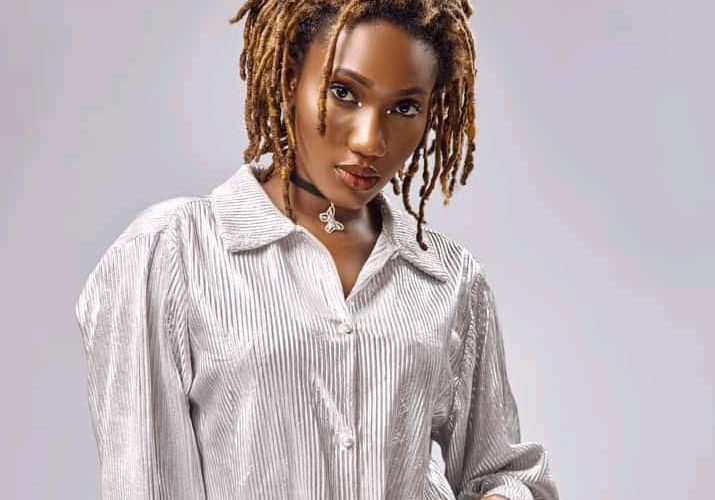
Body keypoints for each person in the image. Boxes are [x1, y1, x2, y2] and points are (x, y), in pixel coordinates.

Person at [74, 1, 560, 499]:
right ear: (289, 79)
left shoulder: (449, 277)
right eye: (344, 92)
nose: (370, 141)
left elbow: (506, 472)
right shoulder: (168, 254)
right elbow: (145, 482)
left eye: (404, 108)